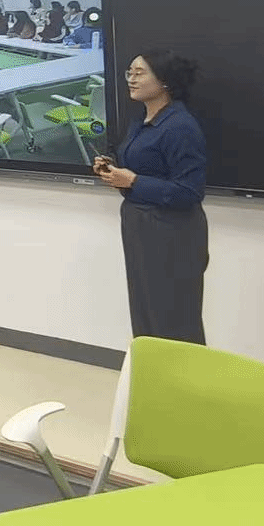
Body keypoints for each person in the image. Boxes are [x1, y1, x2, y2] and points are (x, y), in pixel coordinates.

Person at [93, 51, 209, 345]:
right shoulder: (140, 120)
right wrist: (113, 169)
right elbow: (141, 170)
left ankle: (182, 375)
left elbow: (190, 191)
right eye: (129, 72)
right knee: (146, 313)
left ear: (164, 81)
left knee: (174, 318)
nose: (131, 79)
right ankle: (153, 372)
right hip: (140, 227)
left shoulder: (180, 126)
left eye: (140, 72)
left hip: (172, 233)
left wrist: (133, 181)